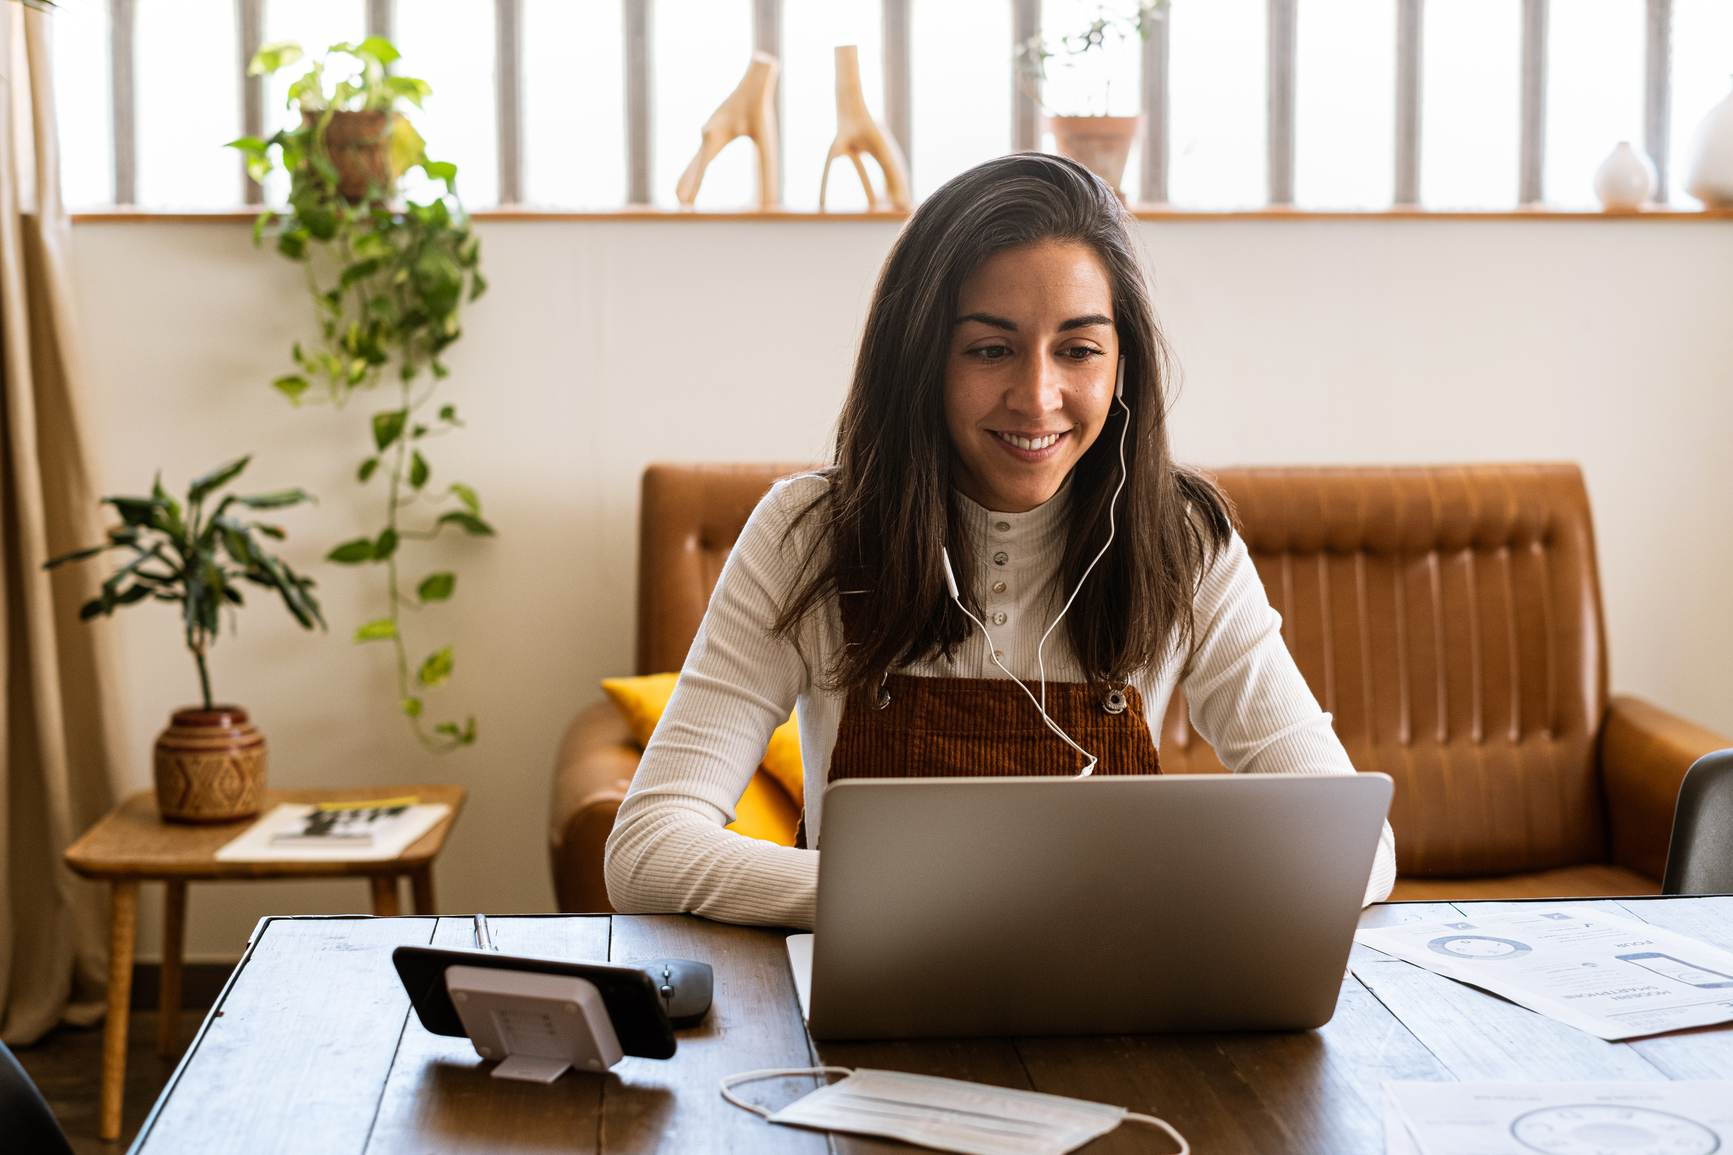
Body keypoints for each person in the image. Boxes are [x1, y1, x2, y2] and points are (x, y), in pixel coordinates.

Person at [605, 153, 1397, 928]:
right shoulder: (806, 532)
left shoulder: (1181, 540)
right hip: (873, 1019)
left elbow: (1360, 849)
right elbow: (647, 847)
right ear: (920, 359)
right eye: (990, 349)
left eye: (1078, 349)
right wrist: (931, 903)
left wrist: (1153, 899)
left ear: (1122, 364)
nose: (1037, 396)